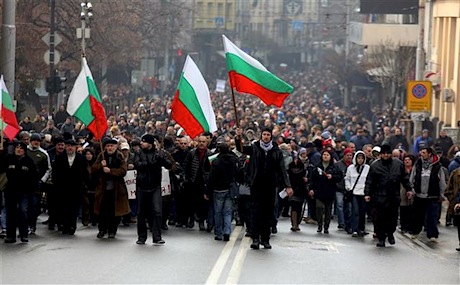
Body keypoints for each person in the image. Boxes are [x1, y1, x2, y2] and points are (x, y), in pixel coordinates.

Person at [235, 127, 292, 250]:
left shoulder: (276, 151)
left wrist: (287, 186)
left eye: (268, 134)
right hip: (256, 185)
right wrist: (238, 137)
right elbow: (241, 149)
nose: (265, 136)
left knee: (268, 213)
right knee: (255, 212)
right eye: (264, 134)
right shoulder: (255, 147)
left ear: (271, 136)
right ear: (261, 135)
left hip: (270, 186)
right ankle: (255, 238)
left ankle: (265, 239)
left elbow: (282, 169)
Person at [365, 144, 412, 247]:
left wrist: (408, 189)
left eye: (387, 153)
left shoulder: (398, 164)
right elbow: (369, 181)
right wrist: (367, 193)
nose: (386, 155)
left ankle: (390, 233)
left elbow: (404, 178)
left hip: (393, 196)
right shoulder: (375, 165)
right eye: (384, 153)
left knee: (393, 218)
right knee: (379, 218)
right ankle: (381, 238)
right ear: (381, 154)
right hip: (379, 196)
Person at [133, 134, 173, 245]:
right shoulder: (138, 153)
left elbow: (169, 165)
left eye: (144, 141)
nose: (141, 143)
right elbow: (137, 164)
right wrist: (151, 164)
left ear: (150, 143)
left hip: (155, 187)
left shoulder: (159, 153)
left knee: (157, 211)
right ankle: (141, 237)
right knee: (141, 213)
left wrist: (162, 160)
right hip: (142, 187)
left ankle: (157, 237)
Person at [92, 137, 130, 239]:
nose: (110, 148)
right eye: (108, 146)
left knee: (114, 211)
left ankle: (112, 230)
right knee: (102, 211)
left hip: (116, 189)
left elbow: (123, 171)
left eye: (112, 146)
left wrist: (111, 171)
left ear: (116, 146)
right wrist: (101, 165)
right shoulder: (101, 156)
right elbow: (93, 169)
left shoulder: (119, 156)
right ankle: (102, 229)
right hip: (102, 189)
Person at [408, 147, 446, 242]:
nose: (422, 154)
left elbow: (442, 181)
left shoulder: (437, 166)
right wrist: (412, 190)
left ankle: (432, 235)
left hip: (432, 195)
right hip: (419, 195)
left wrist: (442, 194)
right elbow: (412, 177)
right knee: (417, 216)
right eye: (421, 152)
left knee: (432, 217)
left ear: (429, 154)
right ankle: (415, 232)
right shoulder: (418, 164)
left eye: (424, 153)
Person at [3, 141, 38, 243]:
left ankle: (23, 235)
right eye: (17, 148)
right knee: (11, 213)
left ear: (24, 150)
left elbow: (34, 176)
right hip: (10, 191)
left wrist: (34, 190)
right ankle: (11, 236)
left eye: (21, 148)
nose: (18, 150)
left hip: (24, 192)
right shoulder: (8, 159)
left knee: (23, 211)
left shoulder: (29, 161)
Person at [52, 139, 88, 235]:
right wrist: (56, 185)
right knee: (64, 207)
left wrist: (85, 185)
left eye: (72, 146)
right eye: (68, 146)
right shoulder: (60, 158)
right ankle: (65, 225)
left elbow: (85, 173)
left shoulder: (81, 158)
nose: (70, 148)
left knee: (74, 208)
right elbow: (55, 173)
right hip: (63, 188)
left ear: (76, 147)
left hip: (77, 188)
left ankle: (72, 225)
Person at [206, 142, 238, 241]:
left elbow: (211, 178)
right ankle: (227, 231)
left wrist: (208, 191)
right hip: (229, 188)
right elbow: (237, 173)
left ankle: (219, 233)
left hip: (218, 189)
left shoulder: (216, 162)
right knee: (228, 212)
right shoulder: (233, 160)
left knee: (218, 212)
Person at [309, 149, 343, 234]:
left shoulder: (334, 167)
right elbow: (312, 179)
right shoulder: (317, 167)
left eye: (327, 155)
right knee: (319, 208)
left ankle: (326, 226)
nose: (325, 156)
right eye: (324, 155)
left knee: (328, 210)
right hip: (319, 191)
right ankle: (320, 225)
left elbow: (339, 177)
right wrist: (311, 189)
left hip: (330, 191)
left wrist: (332, 177)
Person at [183, 135, 212, 231]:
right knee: (191, 202)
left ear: (206, 143)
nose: (201, 143)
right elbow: (186, 166)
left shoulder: (210, 154)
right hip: (193, 181)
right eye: (200, 141)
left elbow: (211, 169)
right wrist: (186, 179)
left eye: (203, 142)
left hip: (204, 182)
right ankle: (191, 219)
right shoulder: (192, 153)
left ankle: (201, 221)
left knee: (203, 204)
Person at [345, 151, 370, 237]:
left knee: (362, 212)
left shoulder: (367, 168)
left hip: (363, 193)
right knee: (355, 211)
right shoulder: (350, 168)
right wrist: (349, 187)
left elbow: (369, 180)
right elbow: (347, 178)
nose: (360, 160)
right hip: (354, 192)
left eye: (362, 158)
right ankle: (354, 229)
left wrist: (368, 191)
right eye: (358, 158)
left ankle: (361, 228)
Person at [287, 152, 308, 231]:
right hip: (294, 190)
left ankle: (296, 223)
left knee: (298, 207)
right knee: (295, 207)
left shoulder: (302, 169)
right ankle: (295, 224)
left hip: (300, 190)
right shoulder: (291, 169)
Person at [335, 147, 353, 232]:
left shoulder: (353, 165)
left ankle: (347, 222)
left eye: (350, 155)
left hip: (349, 189)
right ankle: (341, 223)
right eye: (347, 155)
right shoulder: (338, 164)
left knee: (348, 207)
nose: (349, 157)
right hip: (339, 188)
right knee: (339, 205)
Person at [400, 154, 415, 233]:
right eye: (405, 160)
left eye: (409, 160)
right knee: (403, 208)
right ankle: (403, 226)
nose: (407, 161)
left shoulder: (414, 170)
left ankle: (410, 225)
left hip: (412, 190)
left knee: (411, 208)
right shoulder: (402, 169)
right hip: (402, 190)